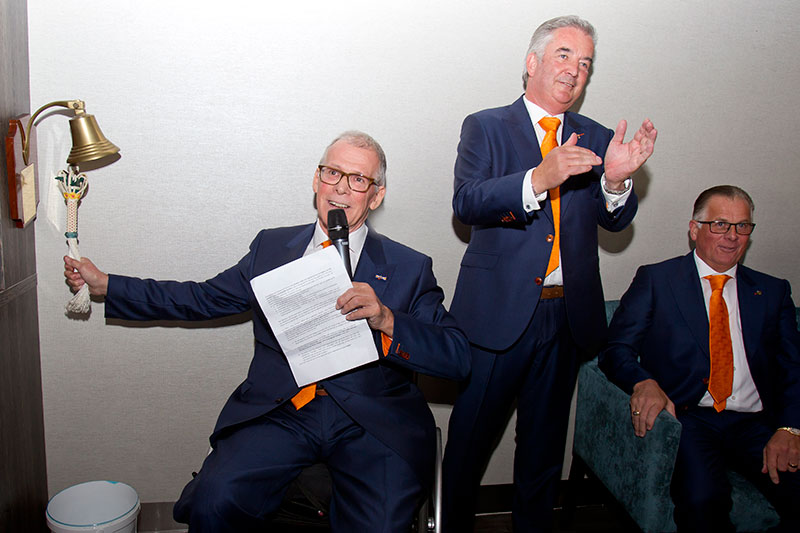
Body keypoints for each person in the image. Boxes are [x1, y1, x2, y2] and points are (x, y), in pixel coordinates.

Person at [64, 131, 471, 532]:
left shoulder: (408, 266)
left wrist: (387, 319)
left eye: (358, 179)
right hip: (285, 411)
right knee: (214, 500)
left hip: (372, 421)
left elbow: (456, 357)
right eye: (332, 172)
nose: (340, 188)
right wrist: (108, 286)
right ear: (316, 179)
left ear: (376, 196)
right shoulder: (271, 249)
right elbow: (199, 298)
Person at [441, 15, 658, 532]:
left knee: (542, 454)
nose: (574, 70)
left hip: (566, 319)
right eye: (564, 55)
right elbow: (466, 202)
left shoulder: (598, 136)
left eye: (585, 63)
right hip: (497, 318)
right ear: (532, 62)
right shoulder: (486, 126)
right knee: (468, 448)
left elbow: (614, 221)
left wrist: (616, 183)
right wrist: (538, 177)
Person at [599, 185, 800, 532]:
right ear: (694, 229)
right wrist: (643, 381)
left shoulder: (772, 290)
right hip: (690, 418)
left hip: (756, 422)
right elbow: (615, 349)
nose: (732, 236)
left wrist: (790, 427)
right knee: (703, 500)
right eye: (720, 224)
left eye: (742, 226)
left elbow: (792, 365)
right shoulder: (657, 280)